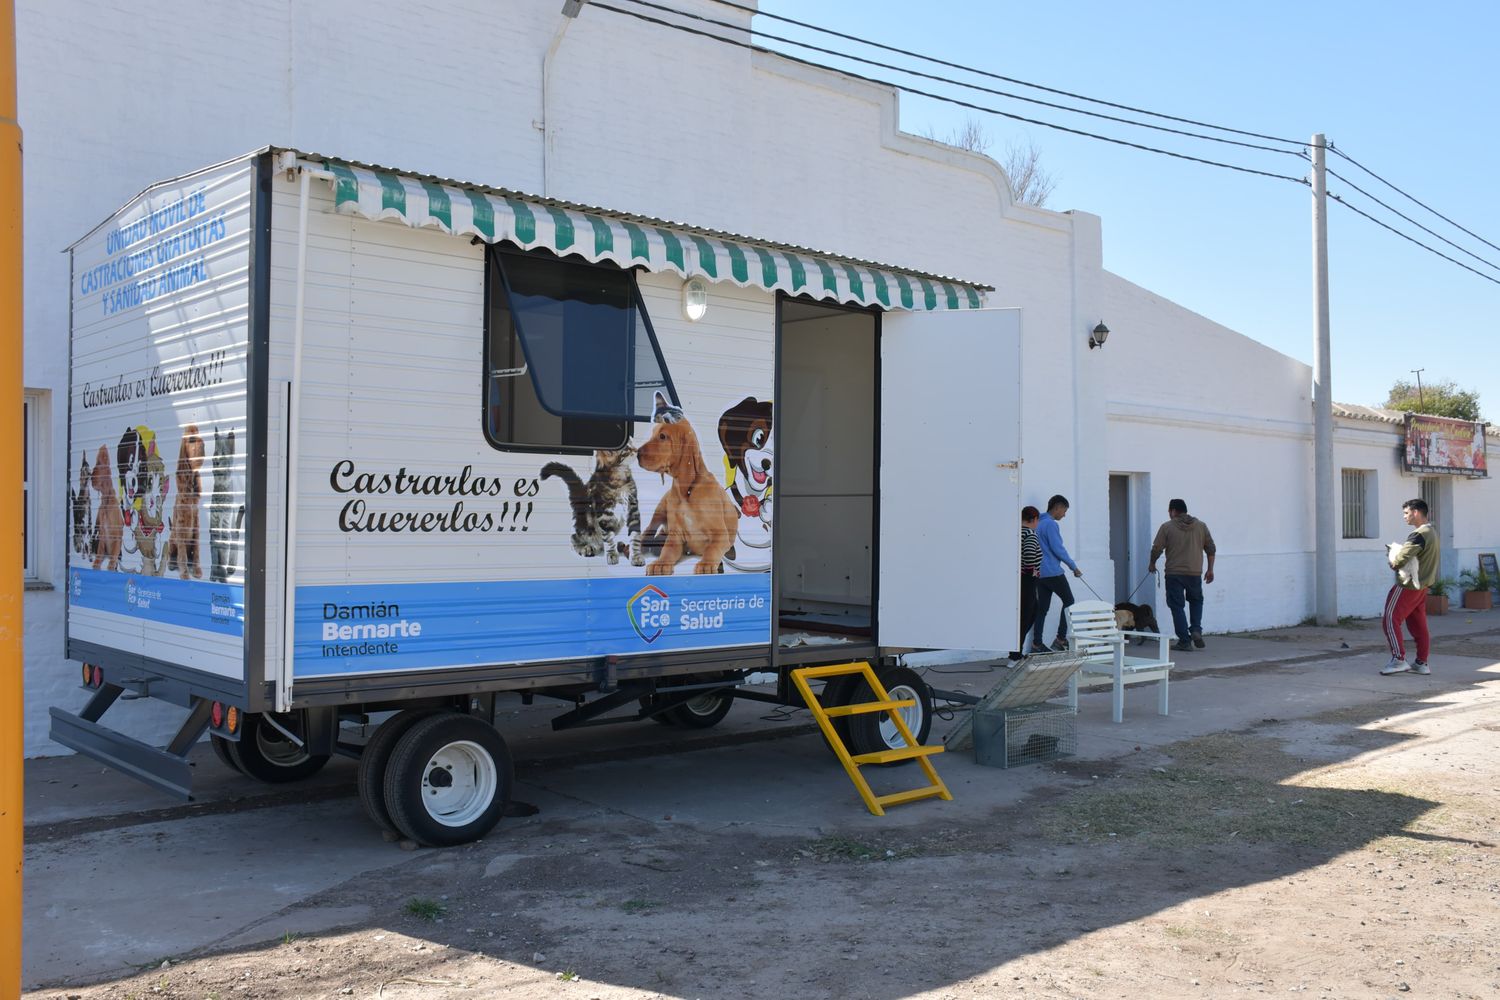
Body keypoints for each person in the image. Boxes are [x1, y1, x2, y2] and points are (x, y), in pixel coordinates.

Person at [1380, 498, 1440, 675]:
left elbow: (1399, 561)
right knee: (1419, 625)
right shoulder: (1432, 532)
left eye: (1406, 513)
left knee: (1390, 620)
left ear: (1416, 512)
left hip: (1408, 585)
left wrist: (1392, 556)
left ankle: (1399, 659)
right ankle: (1421, 663)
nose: (1404, 517)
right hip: (1422, 586)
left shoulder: (1418, 535)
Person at [1148, 498, 1216, 653]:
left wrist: (1152, 563)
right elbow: (1211, 548)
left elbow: (1157, 548)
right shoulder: (1201, 526)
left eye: (1169, 511)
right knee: (1196, 601)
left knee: (1177, 606)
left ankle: (1184, 641)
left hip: (1174, 574)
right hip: (1194, 573)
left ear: (1173, 511)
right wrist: (1210, 569)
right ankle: (1196, 629)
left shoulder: (1167, 527)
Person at [1031, 495, 1082, 652]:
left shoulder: (1037, 522)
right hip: (1053, 572)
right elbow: (1058, 549)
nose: (1064, 515)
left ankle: (1036, 644)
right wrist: (1073, 567)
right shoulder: (1051, 524)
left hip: (1039, 573)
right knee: (1069, 602)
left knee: (1042, 609)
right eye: (1064, 511)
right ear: (1057, 507)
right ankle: (1060, 639)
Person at [1011, 505, 1043, 660]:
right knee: (1027, 616)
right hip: (1028, 580)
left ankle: (1015, 652)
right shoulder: (1030, 534)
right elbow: (1030, 556)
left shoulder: (1017, 532)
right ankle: (1015, 655)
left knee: (1026, 615)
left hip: (1019, 579)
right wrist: (1034, 571)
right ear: (1034, 519)